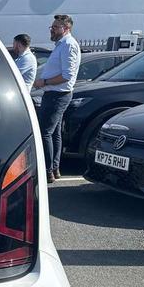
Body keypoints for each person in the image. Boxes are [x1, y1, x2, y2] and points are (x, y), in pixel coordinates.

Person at [33, 14, 81, 183]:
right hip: (54, 94)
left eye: (55, 27)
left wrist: (44, 82)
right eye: (51, 27)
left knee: (45, 132)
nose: (52, 30)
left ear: (66, 28)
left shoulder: (68, 45)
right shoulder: (62, 45)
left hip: (57, 95)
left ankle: (47, 170)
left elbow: (67, 75)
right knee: (54, 133)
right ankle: (54, 168)